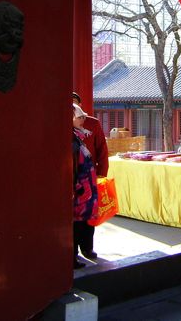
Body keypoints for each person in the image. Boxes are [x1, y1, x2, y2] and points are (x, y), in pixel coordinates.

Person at [72, 103, 99, 269]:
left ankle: (86, 248)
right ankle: (73, 255)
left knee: (85, 222)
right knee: (76, 224)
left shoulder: (80, 136)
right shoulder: (72, 139)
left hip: (86, 188)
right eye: (79, 117)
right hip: (80, 188)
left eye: (83, 116)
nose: (83, 120)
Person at [72, 92, 109, 178]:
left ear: (80, 105)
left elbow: (102, 148)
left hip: (88, 171)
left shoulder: (93, 123)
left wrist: (102, 172)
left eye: (74, 103)